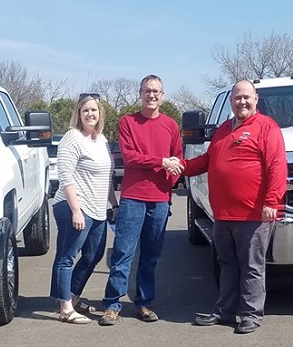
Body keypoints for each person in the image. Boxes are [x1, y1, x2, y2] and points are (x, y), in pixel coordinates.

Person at [182, 80, 287, 335]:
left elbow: (277, 167)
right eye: (237, 97)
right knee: (226, 263)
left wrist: (272, 201)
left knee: (252, 266)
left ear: (255, 99)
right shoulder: (223, 130)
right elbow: (208, 161)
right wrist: (183, 166)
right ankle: (225, 311)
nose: (242, 101)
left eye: (246, 97)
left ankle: (251, 315)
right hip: (223, 214)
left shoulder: (267, 128)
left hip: (253, 214)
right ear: (231, 101)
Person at [99, 74, 182, 326]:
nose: (152, 95)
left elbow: (177, 160)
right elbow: (131, 157)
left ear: (163, 95)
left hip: (159, 200)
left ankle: (144, 303)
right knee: (123, 252)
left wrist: (169, 184)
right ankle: (112, 304)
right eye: (147, 91)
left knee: (151, 255)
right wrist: (160, 162)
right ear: (140, 93)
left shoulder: (170, 125)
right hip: (133, 198)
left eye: (156, 91)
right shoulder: (128, 122)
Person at [50, 92, 118, 324]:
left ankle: (72, 296)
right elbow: (65, 176)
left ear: (100, 114)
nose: (90, 114)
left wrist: (114, 203)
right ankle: (65, 308)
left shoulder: (101, 139)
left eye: (94, 110)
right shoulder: (72, 137)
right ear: (78, 114)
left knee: (94, 255)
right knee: (67, 257)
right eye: (85, 110)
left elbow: (106, 177)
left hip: (98, 209)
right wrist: (76, 210)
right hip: (75, 206)